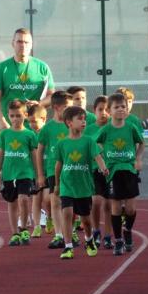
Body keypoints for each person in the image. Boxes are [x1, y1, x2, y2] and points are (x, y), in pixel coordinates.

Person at [54, 106, 109, 259]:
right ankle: (68, 246)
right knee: (67, 213)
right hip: (67, 185)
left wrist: (103, 167)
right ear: (69, 123)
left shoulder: (89, 141)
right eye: (80, 119)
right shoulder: (62, 144)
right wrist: (57, 185)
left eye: (84, 119)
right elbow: (58, 165)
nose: (83, 121)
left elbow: (97, 157)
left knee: (85, 219)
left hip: (84, 186)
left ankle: (89, 239)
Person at [95, 93, 145, 256]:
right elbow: (94, 146)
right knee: (115, 207)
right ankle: (118, 240)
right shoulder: (106, 130)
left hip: (129, 170)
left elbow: (142, 142)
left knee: (130, 209)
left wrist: (138, 158)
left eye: (123, 106)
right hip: (113, 172)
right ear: (109, 110)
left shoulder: (131, 128)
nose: (121, 109)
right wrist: (102, 164)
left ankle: (128, 230)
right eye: (117, 107)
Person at [0, 27, 55, 130]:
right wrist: (1, 121)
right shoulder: (1, 68)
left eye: (26, 42)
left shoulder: (42, 67)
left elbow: (51, 96)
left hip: (36, 127)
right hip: (10, 126)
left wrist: (39, 103)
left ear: (31, 45)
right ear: (13, 43)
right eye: (19, 41)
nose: (23, 45)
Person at [0, 100, 38, 246]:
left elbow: (34, 155)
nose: (15, 119)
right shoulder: (5, 134)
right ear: (8, 116)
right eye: (12, 116)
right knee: (12, 203)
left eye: (18, 116)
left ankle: (24, 228)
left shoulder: (29, 135)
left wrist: (38, 175)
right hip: (8, 174)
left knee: (24, 199)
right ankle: (15, 233)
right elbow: (1, 154)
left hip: (25, 173)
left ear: (25, 115)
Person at [36, 90, 74, 249]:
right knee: (56, 202)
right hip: (54, 170)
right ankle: (59, 235)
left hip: (72, 168)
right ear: (56, 108)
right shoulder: (47, 129)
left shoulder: (71, 125)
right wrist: (40, 174)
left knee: (72, 203)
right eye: (67, 107)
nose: (70, 110)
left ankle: (70, 233)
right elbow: (39, 152)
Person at [83, 96, 113, 249]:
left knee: (109, 204)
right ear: (94, 111)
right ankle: (96, 230)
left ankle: (108, 235)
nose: (104, 113)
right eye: (100, 109)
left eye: (107, 109)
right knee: (96, 201)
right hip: (94, 170)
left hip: (112, 170)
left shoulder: (113, 127)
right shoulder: (88, 130)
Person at [27, 103, 48, 237]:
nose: (32, 124)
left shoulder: (48, 133)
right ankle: (37, 226)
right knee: (36, 199)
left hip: (49, 172)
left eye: (35, 121)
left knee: (48, 199)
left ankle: (50, 218)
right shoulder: (30, 135)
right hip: (35, 173)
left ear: (43, 119)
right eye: (29, 122)